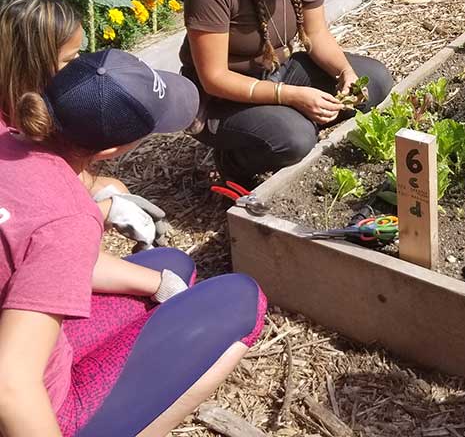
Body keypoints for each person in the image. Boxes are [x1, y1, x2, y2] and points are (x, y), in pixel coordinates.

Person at [0, 49, 266, 436]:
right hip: (38, 410)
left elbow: (38, 263)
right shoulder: (67, 217)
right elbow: (11, 383)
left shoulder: (8, 139)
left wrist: (160, 284)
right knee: (244, 300)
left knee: (172, 266)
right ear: (112, 151)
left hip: (28, 335)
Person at [180, 0, 394, 187]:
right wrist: (291, 96)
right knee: (295, 138)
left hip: (279, 71)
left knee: (374, 81)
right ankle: (234, 160)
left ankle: (281, 124)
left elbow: (317, 35)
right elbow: (214, 79)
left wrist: (345, 72)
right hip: (224, 97)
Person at [0, 0, 168, 248]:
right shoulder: (6, 142)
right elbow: (33, 228)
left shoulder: (39, 101)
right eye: (70, 59)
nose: (79, 66)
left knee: (114, 187)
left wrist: (106, 192)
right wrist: (103, 210)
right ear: (31, 63)